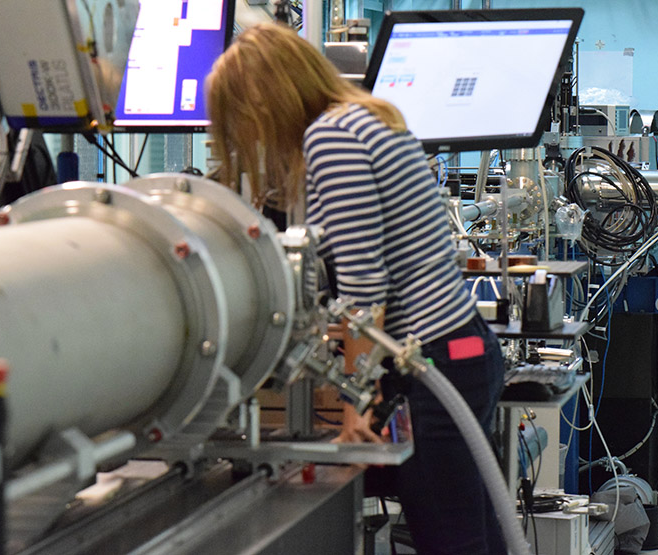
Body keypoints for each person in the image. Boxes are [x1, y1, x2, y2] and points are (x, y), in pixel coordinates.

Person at [206, 22, 507, 555]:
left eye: (242, 120)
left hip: (435, 361)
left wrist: (355, 403)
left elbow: (365, 287)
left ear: (266, 101)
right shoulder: (362, 120)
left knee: (451, 540)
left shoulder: (332, 137)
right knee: (471, 536)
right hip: (456, 352)